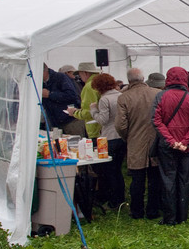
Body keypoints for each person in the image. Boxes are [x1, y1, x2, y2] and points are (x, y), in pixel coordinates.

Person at [152, 66, 189, 225]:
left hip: (167, 147)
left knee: (168, 180)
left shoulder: (161, 96)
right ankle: (182, 216)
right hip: (187, 147)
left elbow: (156, 121)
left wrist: (171, 141)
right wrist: (185, 142)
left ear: (168, 78)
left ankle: (170, 218)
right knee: (184, 181)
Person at [116, 68, 161, 219]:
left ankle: (137, 211)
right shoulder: (157, 94)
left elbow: (120, 125)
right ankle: (153, 210)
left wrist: (128, 137)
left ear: (129, 81)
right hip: (155, 141)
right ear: (143, 78)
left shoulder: (124, 98)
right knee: (155, 178)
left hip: (135, 141)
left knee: (137, 180)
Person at [89, 72, 126, 208]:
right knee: (117, 170)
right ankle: (120, 198)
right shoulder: (120, 96)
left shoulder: (104, 100)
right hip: (122, 137)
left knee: (109, 171)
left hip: (109, 137)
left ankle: (113, 201)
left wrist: (93, 110)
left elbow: (103, 120)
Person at [40, 63, 81, 134]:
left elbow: (72, 96)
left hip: (70, 121)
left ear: (44, 71)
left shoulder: (60, 77)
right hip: (55, 124)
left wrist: (50, 94)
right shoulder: (40, 83)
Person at [68, 62, 102, 138]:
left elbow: (88, 111)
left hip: (95, 128)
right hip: (105, 127)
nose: (79, 77)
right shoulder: (101, 82)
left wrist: (74, 112)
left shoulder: (89, 86)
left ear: (85, 73)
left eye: (80, 74)